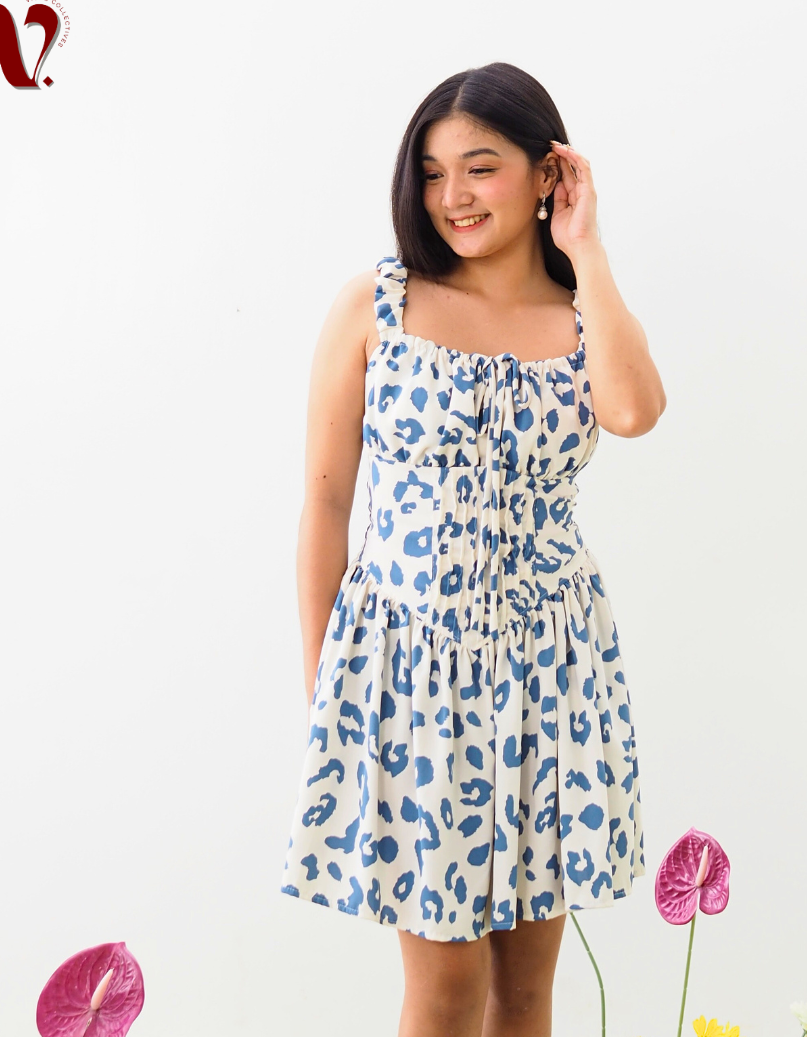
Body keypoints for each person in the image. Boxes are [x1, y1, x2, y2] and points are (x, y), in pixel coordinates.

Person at [281, 61, 666, 1037]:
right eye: (432, 172)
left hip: (552, 676)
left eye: (481, 167)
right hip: (413, 676)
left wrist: (588, 250)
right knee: (444, 989)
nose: (452, 195)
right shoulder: (377, 305)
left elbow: (632, 411)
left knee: (526, 992)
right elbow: (326, 504)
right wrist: (326, 681)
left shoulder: (581, 317)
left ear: (548, 174)